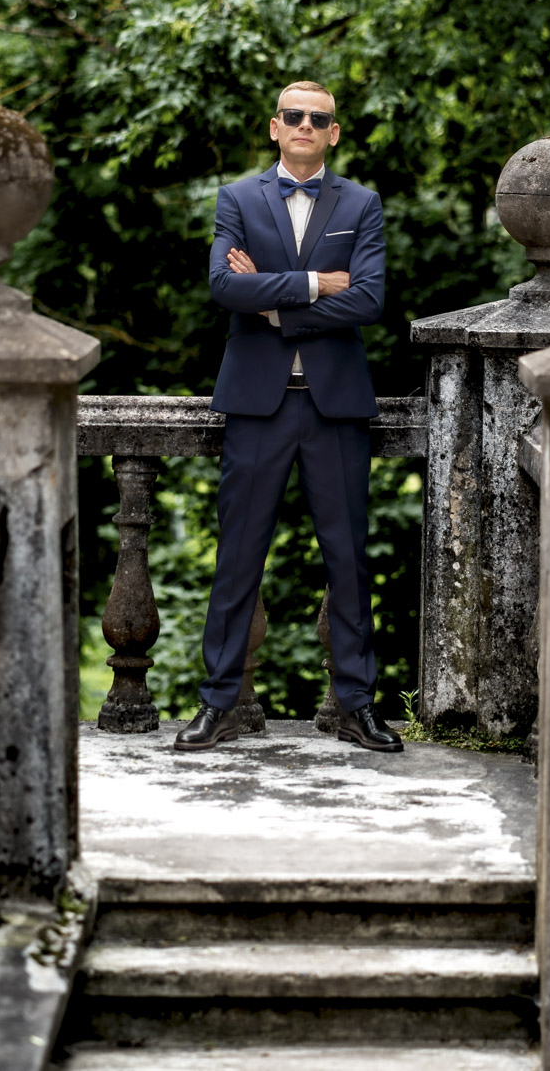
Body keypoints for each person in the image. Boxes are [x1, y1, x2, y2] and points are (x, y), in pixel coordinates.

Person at [174, 80, 403, 754]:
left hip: (334, 405)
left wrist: (272, 305)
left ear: (333, 132)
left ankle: (357, 705)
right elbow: (224, 286)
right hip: (256, 405)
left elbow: (369, 300)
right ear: (275, 127)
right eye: (293, 115)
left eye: (318, 118)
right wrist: (312, 285)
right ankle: (219, 702)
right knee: (238, 556)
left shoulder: (361, 204)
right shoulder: (237, 198)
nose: (305, 124)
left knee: (348, 558)